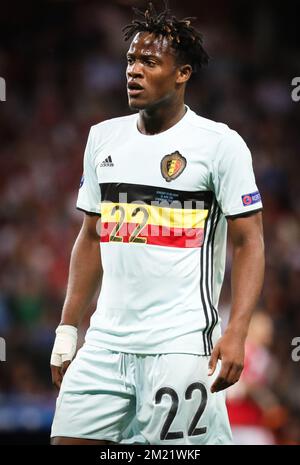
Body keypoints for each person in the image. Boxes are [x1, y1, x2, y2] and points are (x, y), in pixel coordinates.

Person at [50, 3, 264, 445]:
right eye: (131, 59)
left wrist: (237, 330)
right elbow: (91, 237)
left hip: (181, 346)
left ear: (182, 73)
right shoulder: (103, 137)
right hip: (105, 343)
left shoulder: (220, 145)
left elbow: (249, 242)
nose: (134, 70)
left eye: (149, 61)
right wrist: (68, 328)